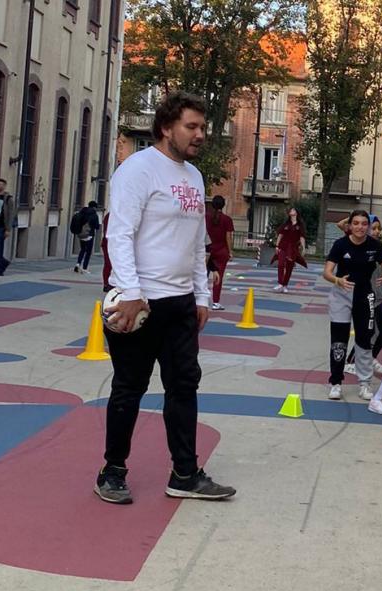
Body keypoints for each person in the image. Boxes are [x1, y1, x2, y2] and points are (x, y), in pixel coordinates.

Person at [94, 91, 236, 505]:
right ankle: (112, 471)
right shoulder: (137, 170)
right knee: (129, 387)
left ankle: (185, 473)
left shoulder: (194, 176)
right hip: (138, 302)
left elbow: (197, 244)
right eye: (191, 127)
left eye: (202, 128)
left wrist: (202, 295)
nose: (199, 135)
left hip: (179, 305)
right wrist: (133, 293)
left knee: (184, 386)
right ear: (165, 127)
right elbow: (118, 234)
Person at [323, 209, 382, 401]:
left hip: (365, 296)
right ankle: (336, 382)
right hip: (341, 295)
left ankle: (365, 383)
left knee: (364, 340)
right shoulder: (341, 244)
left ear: (368, 226)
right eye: (356, 223)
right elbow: (327, 272)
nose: (360, 227)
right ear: (350, 226)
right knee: (339, 340)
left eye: (364, 224)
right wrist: (337, 280)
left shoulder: (375, 245)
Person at [205, 195, 234, 310]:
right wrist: (230, 251)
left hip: (207, 250)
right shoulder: (227, 219)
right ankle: (216, 302)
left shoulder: (206, 217)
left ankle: (200, 300)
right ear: (223, 205)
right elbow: (228, 237)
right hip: (221, 251)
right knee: (219, 277)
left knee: (203, 276)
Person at [273, 206, 307, 293]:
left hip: (293, 249)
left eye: (293, 210)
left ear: (296, 213)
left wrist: (303, 248)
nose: (291, 211)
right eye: (290, 210)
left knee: (289, 267)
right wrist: (277, 246)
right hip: (283, 247)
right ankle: (280, 283)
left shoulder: (300, 225)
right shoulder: (285, 224)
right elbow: (280, 235)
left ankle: (285, 285)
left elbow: (302, 237)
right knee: (280, 264)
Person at [72, 201, 101, 275]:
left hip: (81, 234)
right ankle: (84, 268)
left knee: (82, 249)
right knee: (88, 252)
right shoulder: (94, 215)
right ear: (94, 207)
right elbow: (97, 226)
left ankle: (78, 264)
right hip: (89, 235)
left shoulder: (82, 212)